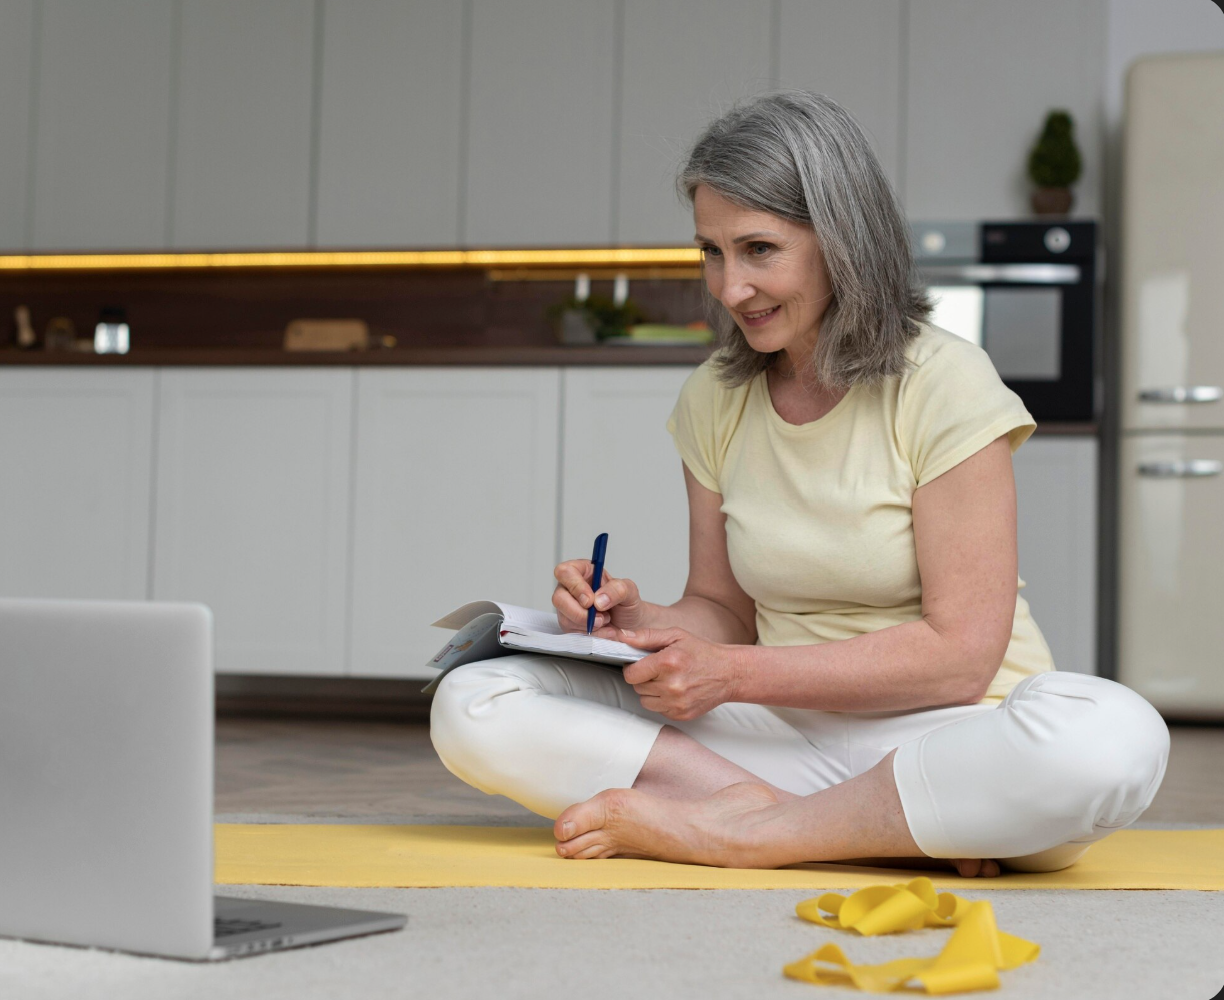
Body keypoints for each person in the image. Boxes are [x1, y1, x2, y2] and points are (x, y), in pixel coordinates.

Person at [429, 91, 1169, 877]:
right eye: (710, 251)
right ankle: (846, 824)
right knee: (476, 703)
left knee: (1112, 737)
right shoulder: (714, 396)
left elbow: (961, 657)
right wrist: (633, 618)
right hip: (775, 741)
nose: (727, 287)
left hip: (950, 736)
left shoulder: (945, 382)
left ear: (841, 242)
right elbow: (724, 612)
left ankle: (746, 834)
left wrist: (732, 675)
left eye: (758, 250)